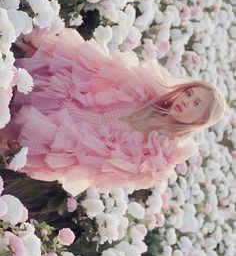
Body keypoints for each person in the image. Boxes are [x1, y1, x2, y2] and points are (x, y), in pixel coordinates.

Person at [0, 27, 227, 196]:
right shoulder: (148, 92)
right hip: (64, 100)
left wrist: (32, 151)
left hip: (57, 134)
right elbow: (100, 71)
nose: (186, 102)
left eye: (196, 105)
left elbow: (90, 166)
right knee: (12, 84)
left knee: (9, 126)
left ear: (200, 121)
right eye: (189, 94)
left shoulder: (157, 159)